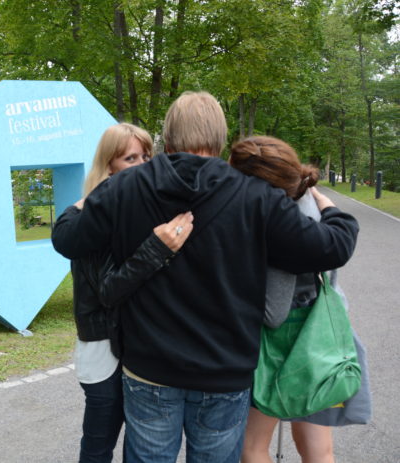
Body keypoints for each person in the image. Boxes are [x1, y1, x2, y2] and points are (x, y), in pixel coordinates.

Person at [51, 91, 359, 463]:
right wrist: (329, 205)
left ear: (168, 135)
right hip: (224, 373)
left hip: (150, 369)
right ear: (220, 135)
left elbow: (66, 237)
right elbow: (333, 247)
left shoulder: (126, 186)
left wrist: (92, 195)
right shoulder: (255, 195)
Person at [230, 137, 369, 463]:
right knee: (319, 448)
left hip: (282, 350)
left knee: (252, 446)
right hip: (319, 346)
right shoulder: (311, 201)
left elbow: (274, 312)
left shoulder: (279, 218)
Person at [69, 122, 194, 463]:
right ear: (109, 165)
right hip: (103, 349)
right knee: (99, 444)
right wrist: (157, 248)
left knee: (141, 446)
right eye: (129, 158)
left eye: (145, 156)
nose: (141, 165)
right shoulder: (92, 215)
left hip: (136, 344)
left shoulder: (137, 207)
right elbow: (109, 289)